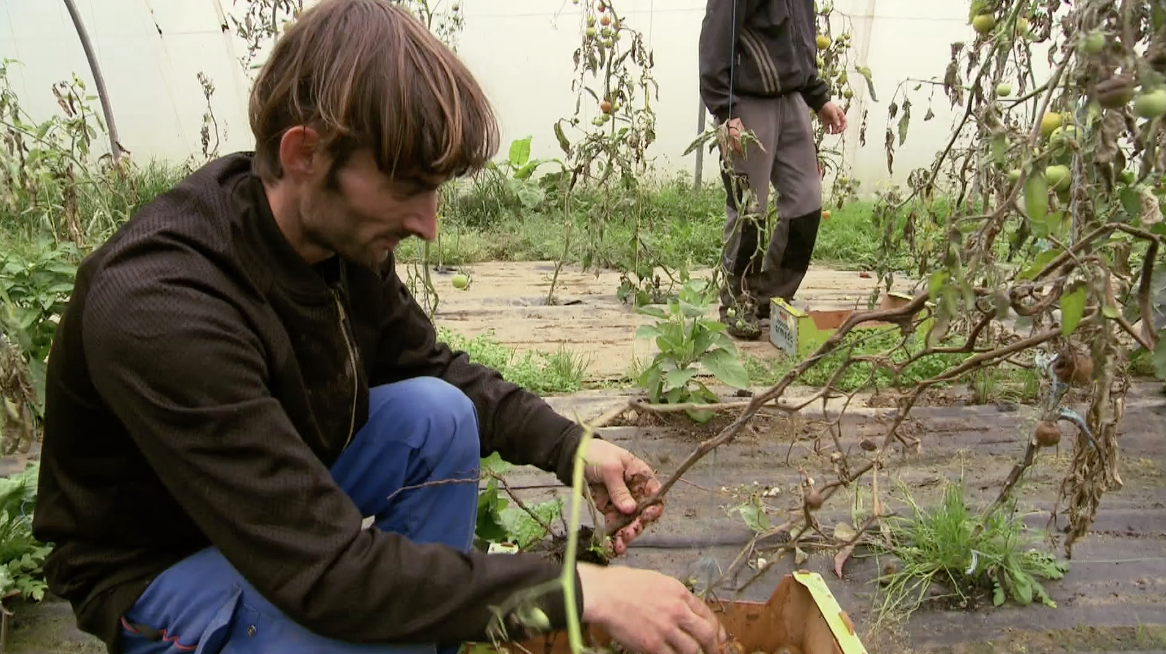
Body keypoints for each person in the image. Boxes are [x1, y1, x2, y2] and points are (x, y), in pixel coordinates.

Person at [31, 2, 728, 654]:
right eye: (405, 189)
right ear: (305, 153)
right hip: (162, 558)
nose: (427, 224)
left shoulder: (329, 236)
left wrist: (574, 450)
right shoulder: (164, 307)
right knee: (325, 617)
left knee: (437, 411)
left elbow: (428, 363)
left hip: (283, 499)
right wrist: (575, 594)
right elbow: (326, 574)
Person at [698, 0, 848, 340]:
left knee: (807, 200)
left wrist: (818, 98)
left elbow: (799, 44)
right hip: (748, 102)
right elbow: (715, 41)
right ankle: (738, 303)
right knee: (750, 208)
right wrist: (725, 110)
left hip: (791, 97)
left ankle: (771, 297)